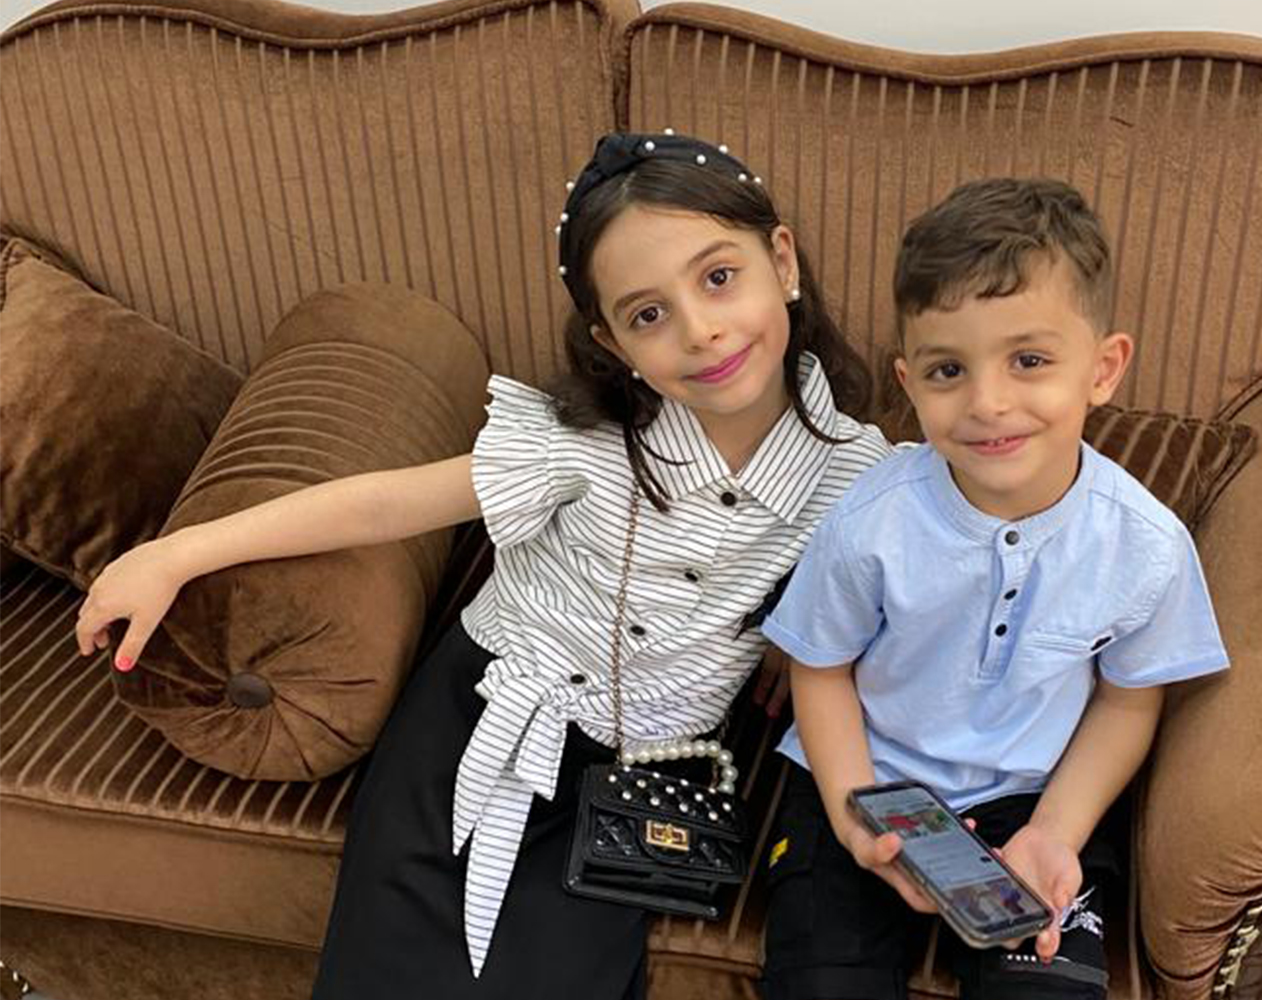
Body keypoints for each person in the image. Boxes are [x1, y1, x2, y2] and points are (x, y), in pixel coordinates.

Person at [73, 131, 892, 999]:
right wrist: (179, 552)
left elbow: (870, 585)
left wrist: (792, 635)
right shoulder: (580, 446)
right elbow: (387, 502)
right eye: (649, 314)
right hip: (483, 714)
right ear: (613, 343)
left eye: (719, 277)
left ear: (783, 262)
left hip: (660, 761)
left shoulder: (860, 471)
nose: (702, 330)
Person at [759, 177, 1231, 1000]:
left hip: (1036, 800)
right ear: (908, 383)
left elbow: (1128, 699)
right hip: (869, 777)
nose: (988, 402)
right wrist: (851, 808)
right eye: (949, 369)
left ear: (1104, 367)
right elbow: (821, 668)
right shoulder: (869, 520)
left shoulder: (1146, 543)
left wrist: (1058, 830)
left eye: (1030, 360)